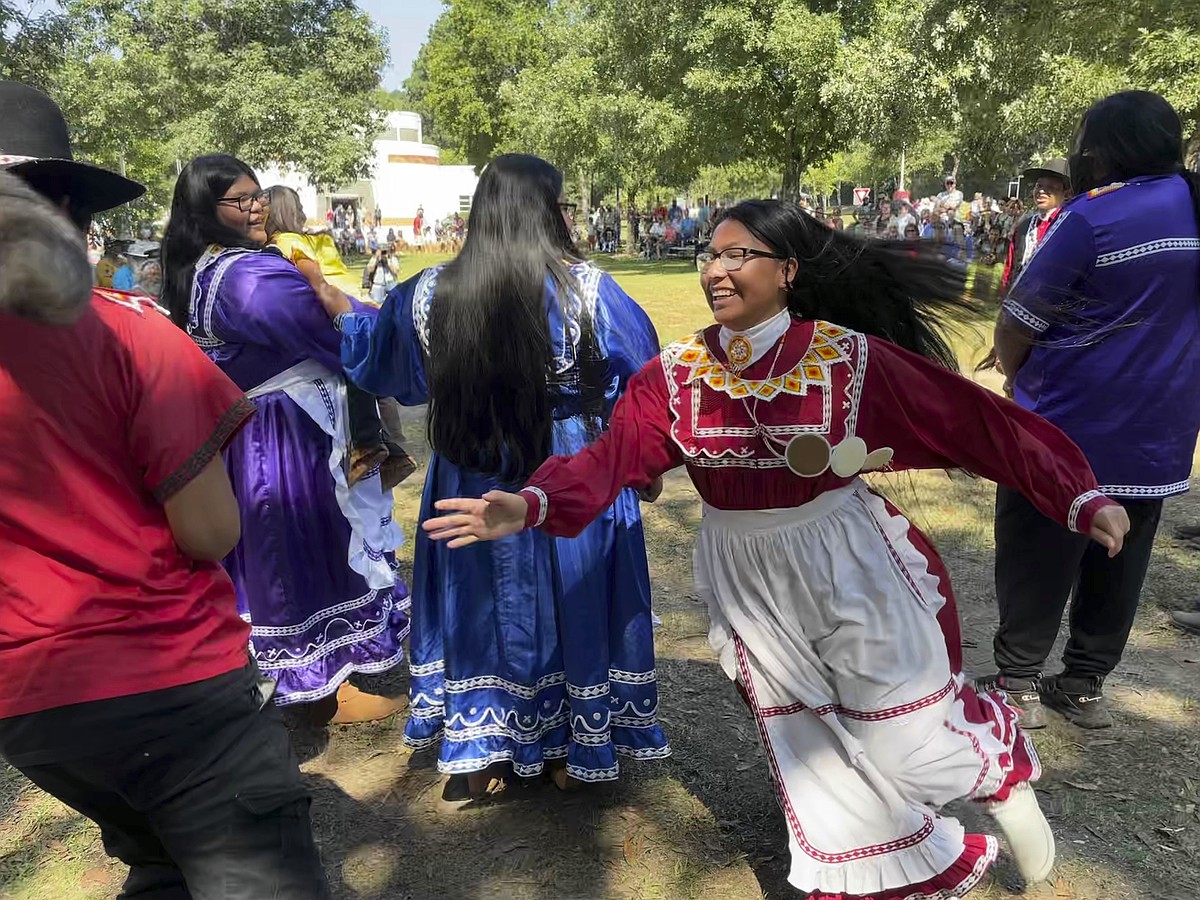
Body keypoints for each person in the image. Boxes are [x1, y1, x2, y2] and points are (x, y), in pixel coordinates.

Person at [423, 198, 1133, 898]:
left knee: (900, 729)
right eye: (712, 255)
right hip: (743, 570)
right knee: (808, 742)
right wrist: (530, 503)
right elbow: (614, 457)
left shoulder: (847, 358)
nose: (717, 271)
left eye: (739, 256)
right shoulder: (676, 374)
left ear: (788, 270)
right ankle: (869, 875)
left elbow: (973, 420)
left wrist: (1076, 493)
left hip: (845, 555)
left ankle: (996, 769)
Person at [0, 84, 330, 898]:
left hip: (30, 705)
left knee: (161, 864)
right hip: (164, 679)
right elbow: (210, 531)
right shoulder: (129, 332)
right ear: (69, 210)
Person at [316, 153, 670, 797]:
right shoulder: (585, 289)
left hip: (468, 474)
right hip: (567, 468)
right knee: (571, 599)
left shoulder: (426, 292)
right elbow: (643, 379)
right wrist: (634, 466)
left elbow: (388, 369)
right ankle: (569, 746)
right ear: (549, 211)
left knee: (484, 601)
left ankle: (490, 742)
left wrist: (345, 312)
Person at [161, 154, 410, 721]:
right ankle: (320, 685)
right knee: (298, 548)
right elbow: (324, 324)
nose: (256, 208)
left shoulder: (209, 267)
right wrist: (380, 317)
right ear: (206, 210)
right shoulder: (247, 278)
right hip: (283, 437)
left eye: (258, 196)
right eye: (240, 200)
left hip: (259, 431)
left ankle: (310, 678)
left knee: (281, 549)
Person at [990, 90, 1200, 729]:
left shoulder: (1096, 218)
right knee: (1123, 551)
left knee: (1039, 543)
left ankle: (1018, 682)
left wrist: (1013, 375)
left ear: (1101, 151)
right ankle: (1084, 682)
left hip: (1069, 418)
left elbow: (1019, 319)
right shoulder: (1192, 204)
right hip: (1159, 421)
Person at [265, 185, 416, 489]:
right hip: (362, 305)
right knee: (369, 374)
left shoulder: (286, 243)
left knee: (351, 365)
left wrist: (343, 319)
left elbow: (319, 283)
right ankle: (394, 451)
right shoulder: (314, 239)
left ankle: (368, 445)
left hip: (344, 306)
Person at [1000, 159, 1070, 295]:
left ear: (1066, 193)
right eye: (1039, 186)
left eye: (1050, 187)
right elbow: (1010, 266)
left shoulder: (1068, 228)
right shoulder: (1024, 227)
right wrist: (1004, 295)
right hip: (1018, 297)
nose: (1041, 191)